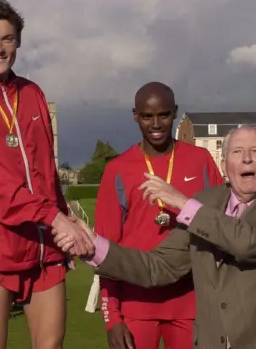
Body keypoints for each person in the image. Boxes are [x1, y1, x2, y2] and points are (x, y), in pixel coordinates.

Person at [57, 125, 256, 348]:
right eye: (237, 152)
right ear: (224, 165)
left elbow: (248, 241)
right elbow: (158, 267)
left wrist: (182, 203)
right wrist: (92, 246)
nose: (246, 158)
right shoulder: (206, 203)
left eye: (255, 151)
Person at [0, 0, 93, 349]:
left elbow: (46, 172)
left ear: (18, 42)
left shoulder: (32, 92)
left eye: (7, 38)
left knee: (51, 345)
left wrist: (67, 216)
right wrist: (54, 217)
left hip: (44, 247)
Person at [93, 82, 224, 349]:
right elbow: (105, 251)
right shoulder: (118, 169)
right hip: (136, 306)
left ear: (175, 112)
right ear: (135, 115)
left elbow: (221, 228)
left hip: (192, 303)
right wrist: (112, 319)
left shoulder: (200, 160)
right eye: (146, 116)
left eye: (163, 114)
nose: (155, 123)